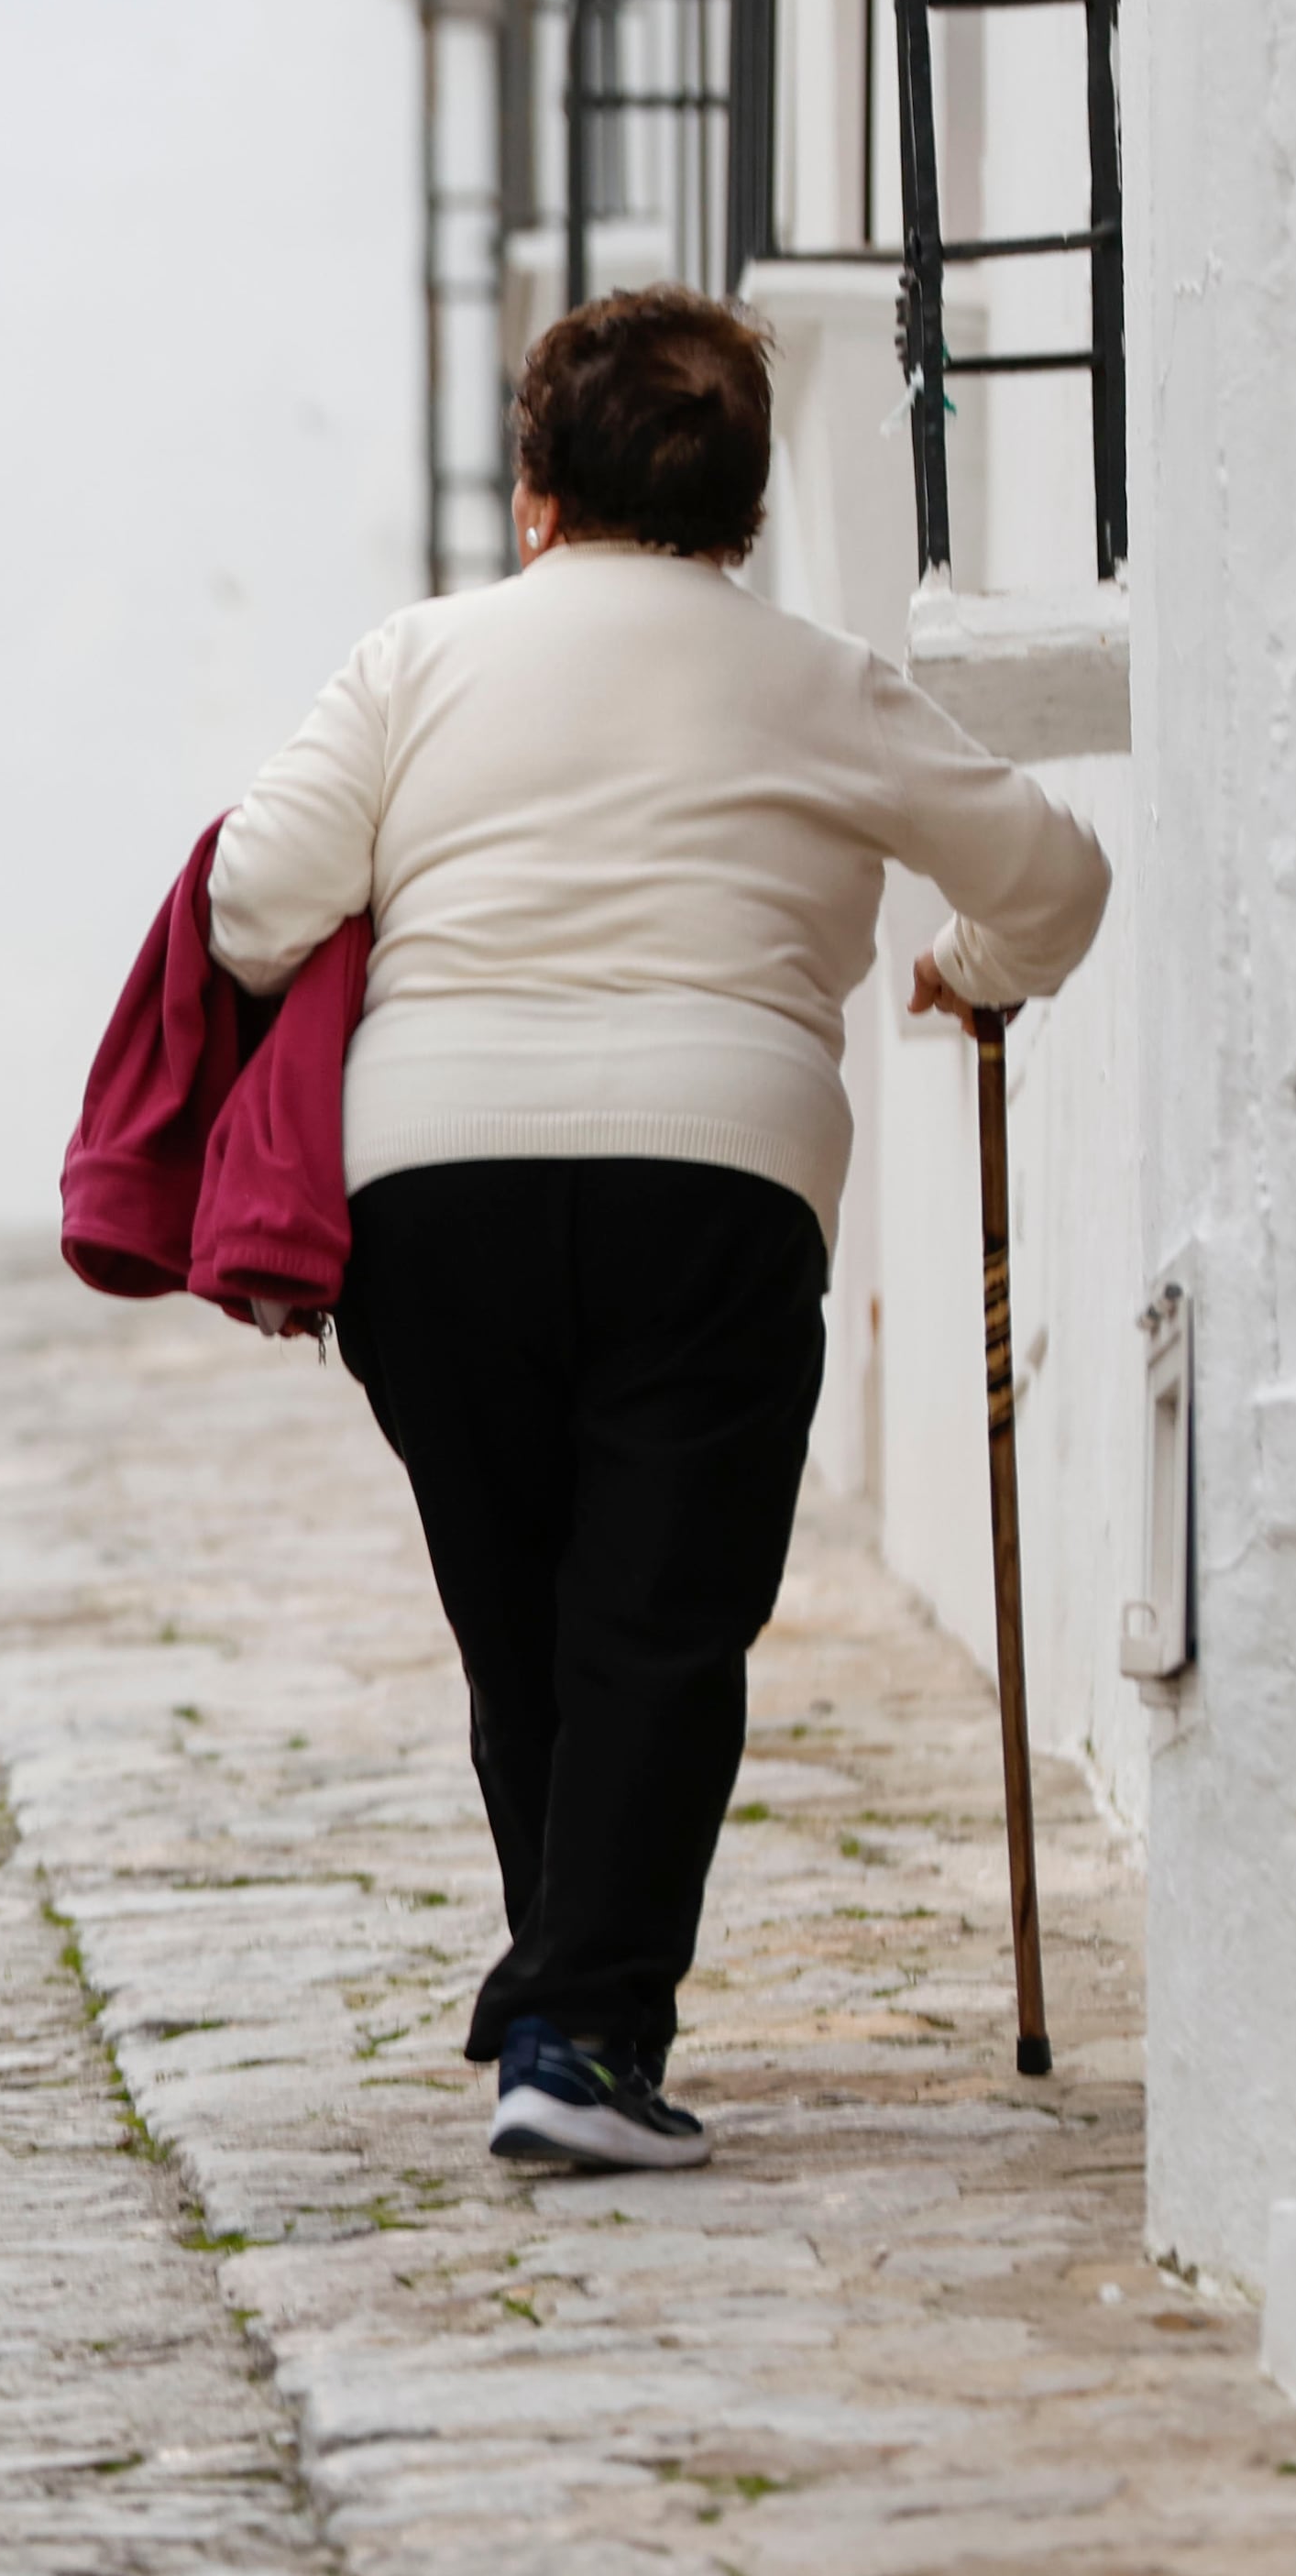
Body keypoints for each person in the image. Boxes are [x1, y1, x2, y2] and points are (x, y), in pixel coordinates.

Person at [206, 285, 1111, 2174]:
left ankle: (565, 1995)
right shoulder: (822, 676)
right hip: (713, 1176)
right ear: (746, 506)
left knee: (521, 1609)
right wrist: (963, 969)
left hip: (431, 1189)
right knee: (657, 1617)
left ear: (536, 488)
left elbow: (254, 899)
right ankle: (581, 2018)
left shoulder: (414, 662)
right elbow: (1054, 867)